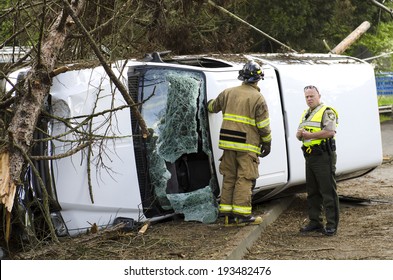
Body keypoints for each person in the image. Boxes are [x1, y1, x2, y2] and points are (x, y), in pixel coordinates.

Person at [207, 60, 272, 226]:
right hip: (247, 145)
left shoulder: (227, 92)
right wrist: (267, 143)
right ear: (258, 80)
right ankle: (242, 215)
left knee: (229, 176)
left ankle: (227, 214)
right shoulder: (258, 98)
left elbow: (212, 107)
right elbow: (263, 126)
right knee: (245, 177)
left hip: (228, 143)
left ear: (242, 77)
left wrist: (206, 104)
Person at [296, 85, 339, 236]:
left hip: (323, 156)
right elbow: (302, 133)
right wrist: (300, 134)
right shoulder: (306, 113)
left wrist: (309, 136)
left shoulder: (327, 111)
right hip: (310, 156)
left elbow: (329, 132)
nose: (309, 99)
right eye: (306, 97)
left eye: (311, 96)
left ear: (319, 95)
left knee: (327, 191)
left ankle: (332, 225)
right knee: (312, 191)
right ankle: (315, 222)